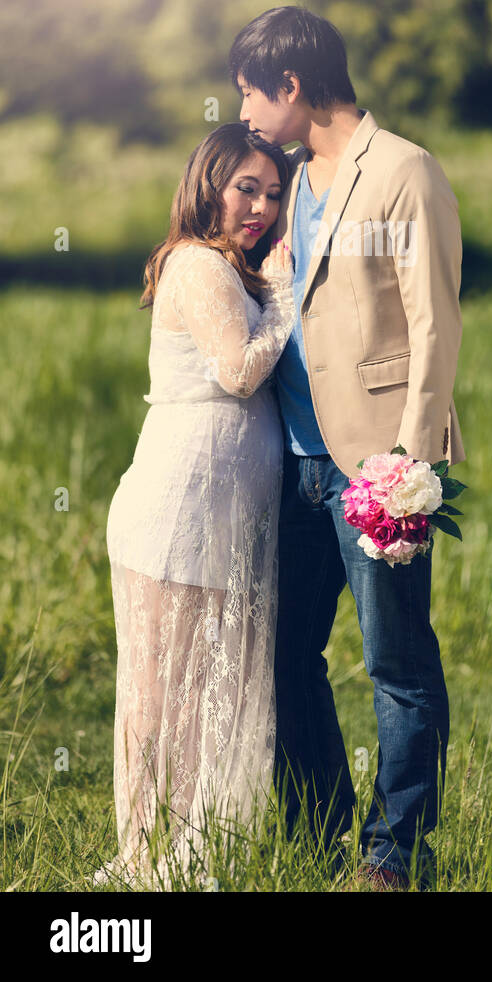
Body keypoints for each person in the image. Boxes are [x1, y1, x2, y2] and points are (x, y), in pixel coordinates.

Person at [228, 5, 466, 890]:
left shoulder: (406, 172)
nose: (243, 108)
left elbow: (436, 327)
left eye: (251, 90)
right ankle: (325, 829)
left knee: (397, 664)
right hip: (288, 462)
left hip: (373, 469)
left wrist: (408, 467)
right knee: (284, 655)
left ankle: (394, 854)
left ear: (292, 85)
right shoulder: (284, 177)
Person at [93, 123, 295, 888]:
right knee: (165, 690)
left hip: (222, 511)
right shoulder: (202, 266)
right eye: (247, 187)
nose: (262, 208)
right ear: (208, 182)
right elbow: (241, 374)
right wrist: (281, 298)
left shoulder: (228, 267)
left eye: (274, 194)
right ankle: (147, 858)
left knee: (204, 685)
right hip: (180, 508)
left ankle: (194, 846)